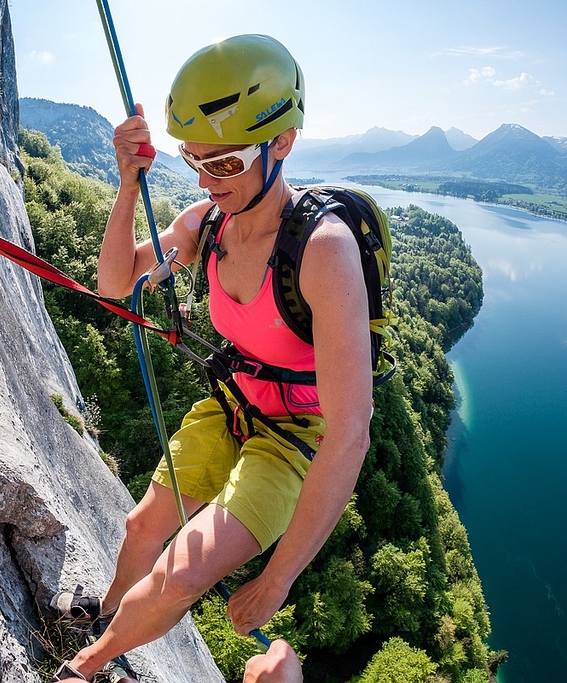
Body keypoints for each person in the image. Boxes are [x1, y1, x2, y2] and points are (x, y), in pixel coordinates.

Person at [50, 34, 372, 681]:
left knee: (185, 572)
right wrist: (127, 184)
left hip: (294, 438)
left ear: (281, 144)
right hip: (233, 405)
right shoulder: (208, 224)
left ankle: (84, 667)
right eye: (193, 160)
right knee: (143, 525)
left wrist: (278, 577)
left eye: (222, 163)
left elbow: (351, 433)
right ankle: (106, 609)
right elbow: (115, 282)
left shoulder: (324, 251)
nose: (202, 179)